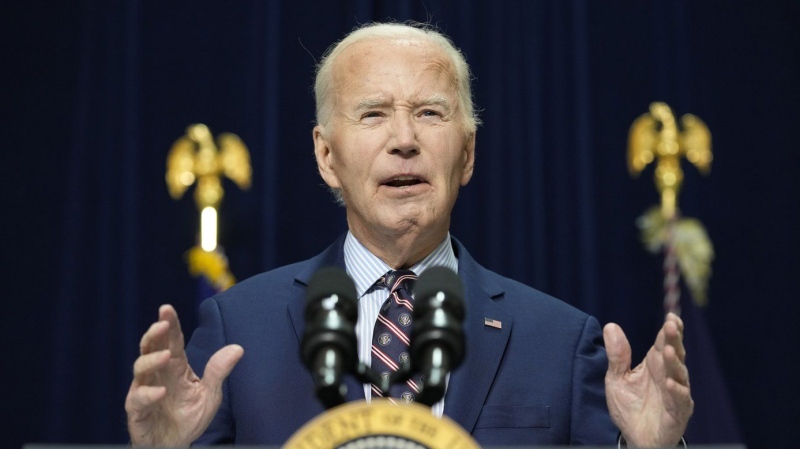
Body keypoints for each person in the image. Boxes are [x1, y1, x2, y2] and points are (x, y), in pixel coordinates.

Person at [125, 22, 693, 447]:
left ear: (467, 154)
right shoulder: (239, 330)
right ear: (327, 156)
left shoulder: (560, 341)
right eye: (373, 114)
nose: (404, 139)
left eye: (429, 113)